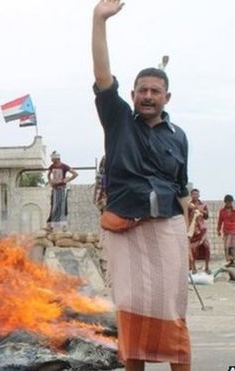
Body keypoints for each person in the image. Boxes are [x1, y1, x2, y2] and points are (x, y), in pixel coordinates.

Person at [92, 0, 191, 369]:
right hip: (125, 231)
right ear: (132, 95)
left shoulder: (179, 137)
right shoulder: (117, 120)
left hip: (167, 230)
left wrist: (182, 234)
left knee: (171, 312)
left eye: (155, 91)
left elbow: (181, 189)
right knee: (131, 314)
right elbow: (103, 76)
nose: (147, 96)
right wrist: (98, 20)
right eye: (141, 90)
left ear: (167, 97)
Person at [45, 151, 78, 230]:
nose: (52, 161)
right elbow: (48, 174)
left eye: (53, 159)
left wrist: (67, 180)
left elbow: (75, 174)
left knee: (62, 206)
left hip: (62, 188)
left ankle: (63, 224)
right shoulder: (52, 166)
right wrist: (50, 182)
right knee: (54, 205)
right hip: (55, 189)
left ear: (57, 158)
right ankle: (52, 224)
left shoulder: (64, 166)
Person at [188, 189, 211, 274]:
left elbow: (206, 216)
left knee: (207, 247)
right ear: (191, 195)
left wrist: (199, 209)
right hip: (193, 230)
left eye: (196, 194)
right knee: (193, 249)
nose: (195, 196)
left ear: (199, 195)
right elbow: (186, 217)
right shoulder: (188, 205)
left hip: (202, 230)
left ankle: (207, 267)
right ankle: (193, 267)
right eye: (193, 194)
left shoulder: (203, 205)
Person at [217, 194, 235, 267]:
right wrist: (218, 230)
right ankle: (230, 261)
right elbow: (220, 221)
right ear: (225, 202)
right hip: (226, 231)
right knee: (226, 247)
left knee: (232, 246)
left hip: (234, 231)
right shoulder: (222, 211)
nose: (229, 203)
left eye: (230, 202)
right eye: (227, 202)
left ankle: (233, 260)